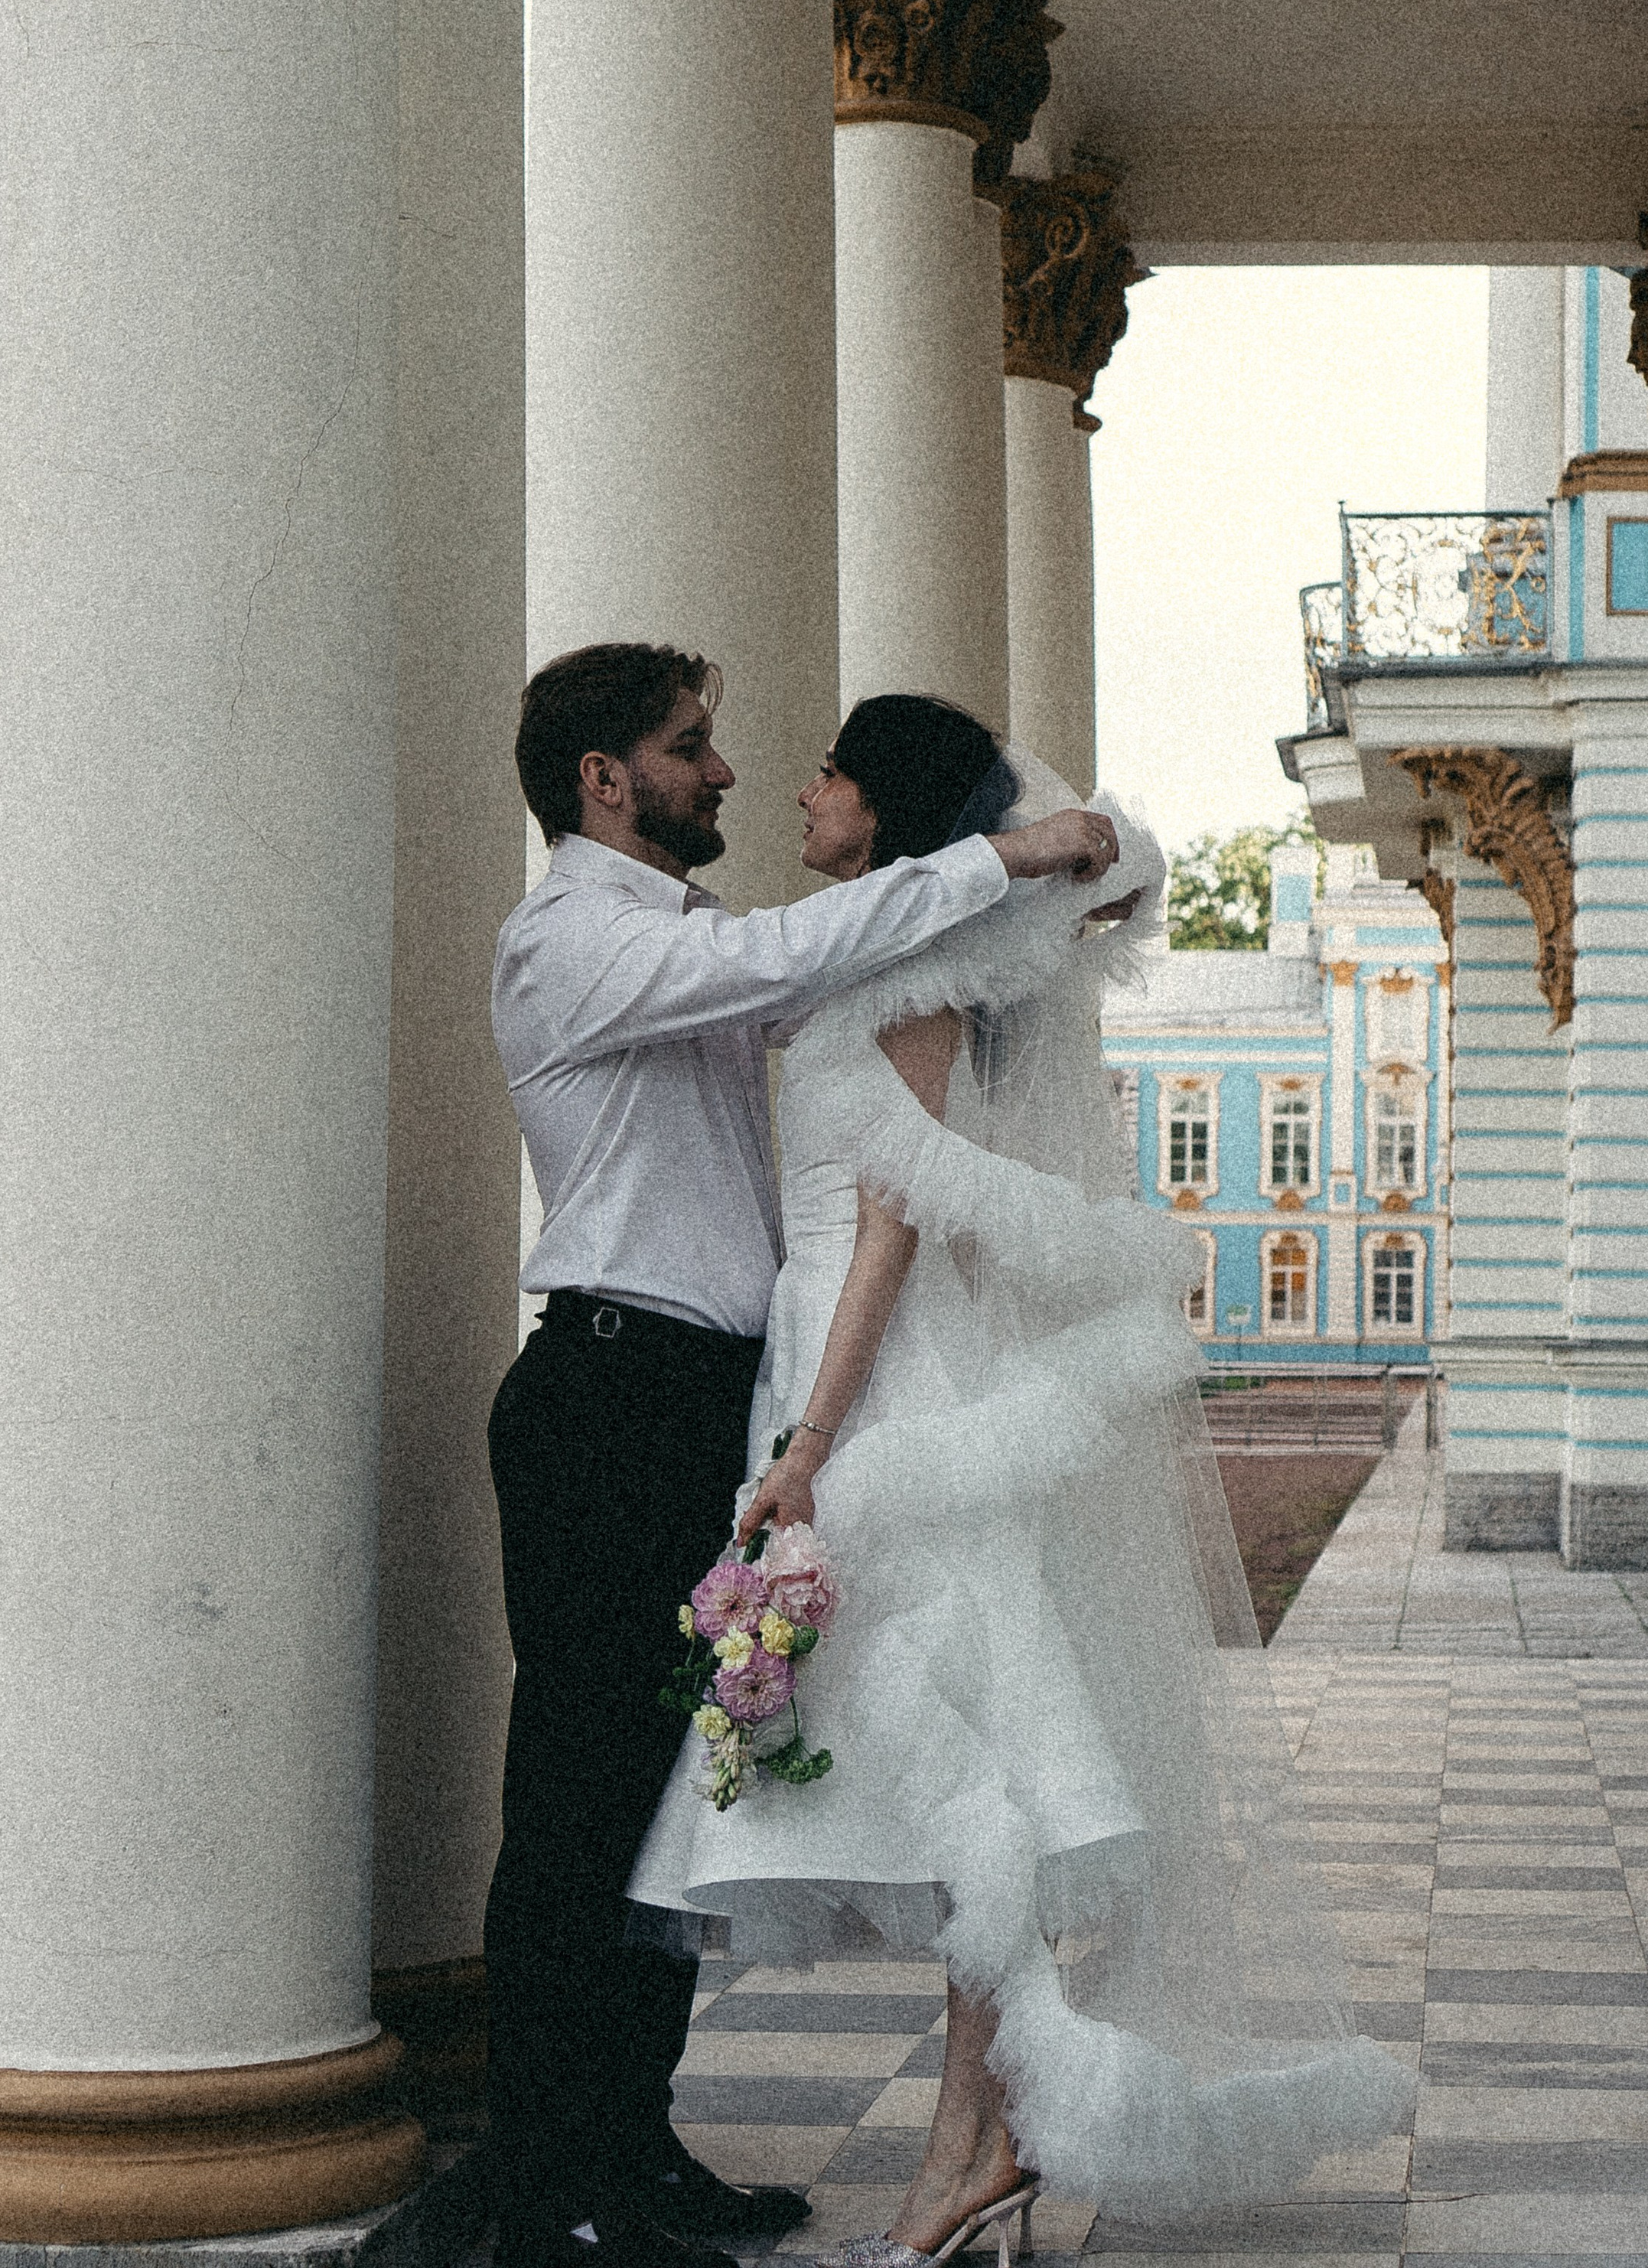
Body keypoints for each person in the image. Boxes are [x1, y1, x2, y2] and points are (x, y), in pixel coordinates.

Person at [630, 695, 1415, 2260]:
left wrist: (806, 1447)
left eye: (831, 772)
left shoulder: (916, 986)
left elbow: (887, 1231)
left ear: (890, 805)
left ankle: (970, 2145)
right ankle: (976, 2140)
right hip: (845, 1366)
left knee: (982, 1771)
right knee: (957, 1780)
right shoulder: (879, 955)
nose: (799, 788)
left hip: (886, 1384)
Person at [484, 646, 1128, 2268]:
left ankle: (633, 2151)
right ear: (602, 781)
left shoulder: (699, 938)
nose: (729, 776)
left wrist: (1035, 906)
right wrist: (998, 852)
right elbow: (816, 941)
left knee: (649, 1810)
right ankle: (547, 2174)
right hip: (607, 1391)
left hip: (701, 1396)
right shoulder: (571, 942)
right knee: (574, 1808)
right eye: (692, 749)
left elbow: (860, 966)